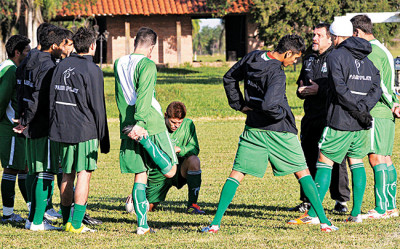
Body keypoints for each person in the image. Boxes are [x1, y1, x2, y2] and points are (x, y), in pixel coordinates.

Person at [201, 34, 338, 233]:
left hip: (254, 128)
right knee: (303, 172)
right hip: (280, 130)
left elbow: (229, 77)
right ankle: (325, 222)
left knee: (236, 174)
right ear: (287, 53)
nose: (294, 62)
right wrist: (283, 113)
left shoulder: (253, 57)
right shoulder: (277, 74)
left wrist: (238, 104)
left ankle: (215, 224)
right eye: (295, 58)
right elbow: (269, 104)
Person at [290, 18, 382, 224]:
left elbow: (339, 90)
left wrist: (357, 110)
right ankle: (355, 214)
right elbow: (377, 86)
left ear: (335, 36)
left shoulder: (336, 56)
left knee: (324, 161)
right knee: (356, 162)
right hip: (361, 122)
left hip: (340, 119)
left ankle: (313, 215)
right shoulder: (368, 59)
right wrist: (363, 109)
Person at [114, 27, 178, 235]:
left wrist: (128, 123)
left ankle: (142, 226)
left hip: (128, 124)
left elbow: (120, 97)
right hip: (148, 122)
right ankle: (147, 142)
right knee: (171, 170)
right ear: (151, 47)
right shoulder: (148, 64)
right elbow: (144, 94)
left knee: (140, 174)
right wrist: (140, 125)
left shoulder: (119, 63)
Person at [49, 27, 110, 233]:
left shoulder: (61, 65)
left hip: (62, 128)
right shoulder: (93, 70)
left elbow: (52, 99)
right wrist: (104, 139)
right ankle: (75, 224)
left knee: (67, 174)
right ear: (93, 46)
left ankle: (66, 220)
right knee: (83, 174)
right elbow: (98, 107)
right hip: (85, 130)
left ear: (75, 45)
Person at [289, 23, 350, 213]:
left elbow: (340, 87)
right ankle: (307, 199)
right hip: (310, 116)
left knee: (334, 159)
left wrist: (319, 90)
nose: (314, 38)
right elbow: (301, 81)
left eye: (318, 35)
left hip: (330, 116)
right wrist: (301, 91)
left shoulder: (336, 57)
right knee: (306, 158)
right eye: (313, 35)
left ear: (330, 38)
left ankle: (341, 201)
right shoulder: (308, 58)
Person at [14, 25, 67, 231]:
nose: (64, 48)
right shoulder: (48, 66)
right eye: (63, 44)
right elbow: (37, 98)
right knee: (44, 171)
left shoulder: (29, 59)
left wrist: (22, 117)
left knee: (35, 171)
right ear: (54, 45)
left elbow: (21, 90)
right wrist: (26, 119)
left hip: (29, 124)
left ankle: (31, 219)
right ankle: (37, 221)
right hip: (42, 124)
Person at [351, 14, 400, 219]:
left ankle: (381, 208)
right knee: (386, 158)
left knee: (376, 157)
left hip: (378, 110)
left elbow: (378, 83)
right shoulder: (382, 49)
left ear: (357, 33)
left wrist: (393, 103)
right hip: (385, 111)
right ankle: (390, 206)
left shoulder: (371, 52)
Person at [126, 101, 204, 214]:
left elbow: (194, 148)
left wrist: (179, 149)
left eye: (179, 122)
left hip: (179, 170)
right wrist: (139, 189)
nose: (176, 125)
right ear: (165, 115)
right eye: (173, 122)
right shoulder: (156, 125)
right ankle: (140, 197)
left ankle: (192, 205)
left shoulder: (188, 125)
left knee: (194, 161)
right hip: (159, 173)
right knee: (146, 208)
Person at [0, 35, 31, 223]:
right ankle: (8, 214)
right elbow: (2, 99)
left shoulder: (12, 68)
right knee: (11, 168)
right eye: (26, 51)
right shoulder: (10, 70)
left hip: (18, 128)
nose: (29, 54)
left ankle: (32, 208)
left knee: (24, 167)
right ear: (17, 52)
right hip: (10, 127)